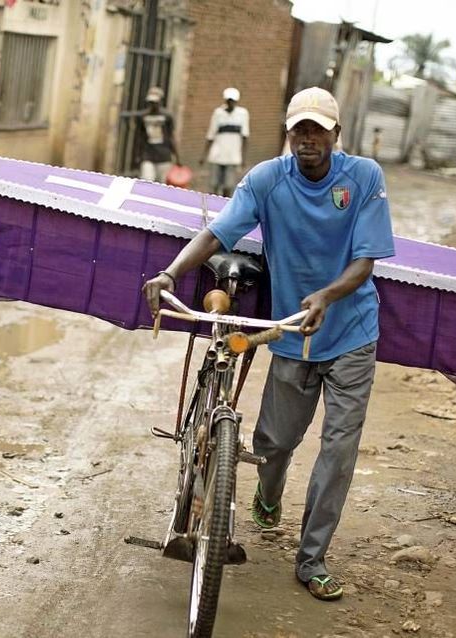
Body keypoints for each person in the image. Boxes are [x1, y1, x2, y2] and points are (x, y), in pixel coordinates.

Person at [142, 87, 395, 602]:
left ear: (335, 135)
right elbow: (217, 234)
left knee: (338, 450)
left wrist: (326, 294)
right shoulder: (266, 180)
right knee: (273, 443)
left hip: (351, 333)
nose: (308, 138)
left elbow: (365, 260)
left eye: (317, 130)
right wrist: (169, 273)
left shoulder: (364, 177)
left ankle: (312, 559)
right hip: (290, 332)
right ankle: (268, 489)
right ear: (289, 134)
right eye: (299, 129)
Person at [201, 87, 249, 196]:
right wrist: (204, 155)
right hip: (217, 155)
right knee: (213, 185)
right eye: (229, 100)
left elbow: (245, 137)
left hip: (232, 156)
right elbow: (210, 135)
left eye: (233, 101)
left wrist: (243, 158)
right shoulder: (218, 113)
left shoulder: (243, 114)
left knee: (228, 186)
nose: (230, 103)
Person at [134, 86, 178, 183]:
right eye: (151, 102)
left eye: (155, 102)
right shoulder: (143, 116)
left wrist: (177, 157)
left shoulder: (167, 116)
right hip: (148, 154)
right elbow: (140, 136)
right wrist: (138, 154)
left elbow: (171, 136)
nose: (153, 105)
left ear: (160, 101)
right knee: (147, 181)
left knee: (161, 184)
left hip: (164, 155)